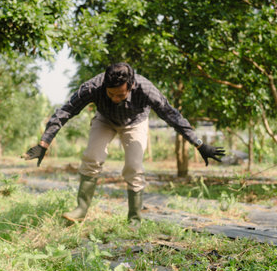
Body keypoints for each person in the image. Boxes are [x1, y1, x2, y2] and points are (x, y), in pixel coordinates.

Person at [23, 62, 225, 224]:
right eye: (111, 94)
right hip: (105, 120)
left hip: (135, 123)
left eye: (121, 94)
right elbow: (66, 111)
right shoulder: (92, 87)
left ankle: (134, 218)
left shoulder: (146, 89)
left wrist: (199, 144)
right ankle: (81, 210)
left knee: (134, 167)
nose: (115, 98)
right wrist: (44, 143)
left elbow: (171, 115)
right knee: (92, 157)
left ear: (131, 85)